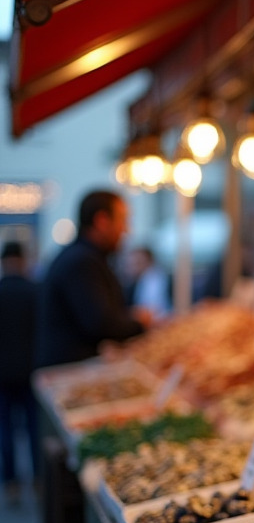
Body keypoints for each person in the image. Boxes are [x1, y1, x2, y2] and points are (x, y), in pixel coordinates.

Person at [36, 190, 149, 367]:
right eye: (123, 220)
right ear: (102, 221)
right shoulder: (82, 261)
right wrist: (140, 322)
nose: (126, 230)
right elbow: (100, 323)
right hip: (69, 373)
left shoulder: (83, 256)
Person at [0, 241, 39, 502]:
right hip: (30, 369)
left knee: (6, 430)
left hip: (2, 372)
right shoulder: (34, 291)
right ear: (22, 260)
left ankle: (11, 483)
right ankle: (38, 482)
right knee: (33, 428)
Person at [126, 246, 172, 320]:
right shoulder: (139, 281)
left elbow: (153, 311)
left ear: (150, 261)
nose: (133, 267)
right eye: (131, 264)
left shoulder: (153, 280)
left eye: (138, 263)